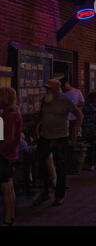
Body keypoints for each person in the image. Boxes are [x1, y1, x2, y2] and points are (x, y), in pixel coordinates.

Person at [33, 79, 83, 206]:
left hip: (60, 137)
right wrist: (36, 127)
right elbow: (41, 115)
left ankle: (59, 195)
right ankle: (44, 192)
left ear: (56, 89)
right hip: (45, 136)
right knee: (42, 165)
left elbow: (79, 115)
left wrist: (74, 130)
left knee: (60, 166)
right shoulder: (46, 100)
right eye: (46, 88)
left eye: (49, 88)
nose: (47, 90)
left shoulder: (65, 100)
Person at [0, 88, 23, 226]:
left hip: (4, 154)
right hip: (10, 153)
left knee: (6, 187)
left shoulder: (8, 117)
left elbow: (6, 138)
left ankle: (8, 218)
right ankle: (11, 215)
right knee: (9, 186)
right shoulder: (15, 114)